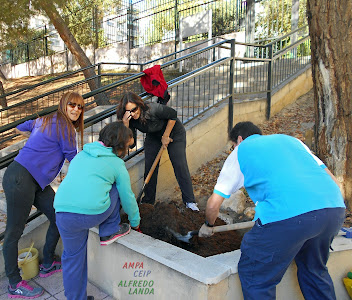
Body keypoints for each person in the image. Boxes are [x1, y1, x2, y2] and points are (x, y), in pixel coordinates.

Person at [199, 121, 345, 300]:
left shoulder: (242, 150)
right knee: (314, 270)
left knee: (256, 276)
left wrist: (208, 224)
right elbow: (334, 183)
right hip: (333, 209)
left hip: (288, 218)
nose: (233, 149)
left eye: (232, 146)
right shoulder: (292, 141)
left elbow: (214, 204)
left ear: (239, 139)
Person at [2, 92, 84, 298]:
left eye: (80, 107)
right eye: (72, 105)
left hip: (36, 181)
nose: (76, 109)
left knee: (58, 216)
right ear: (63, 105)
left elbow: (20, 127)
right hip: (21, 177)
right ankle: (14, 283)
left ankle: (47, 262)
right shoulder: (64, 128)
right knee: (13, 232)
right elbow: (74, 160)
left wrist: (40, 139)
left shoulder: (45, 121)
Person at [54, 121, 141, 300]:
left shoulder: (81, 154)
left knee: (72, 259)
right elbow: (128, 197)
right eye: (127, 147)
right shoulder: (116, 164)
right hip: (90, 214)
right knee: (116, 188)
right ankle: (109, 230)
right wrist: (135, 222)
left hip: (62, 212)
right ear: (120, 146)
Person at [116, 91, 199, 211]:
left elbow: (173, 115)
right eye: (128, 111)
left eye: (134, 109)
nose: (132, 114)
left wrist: (166, 135)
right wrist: (125, 125)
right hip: (154, 136)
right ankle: (148, 203)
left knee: (179, 165)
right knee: (150, 168)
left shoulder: (152, 109)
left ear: (139, 105)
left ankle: (190, 202)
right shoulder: (129, 119)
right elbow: (132, 144)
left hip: (174, 133)